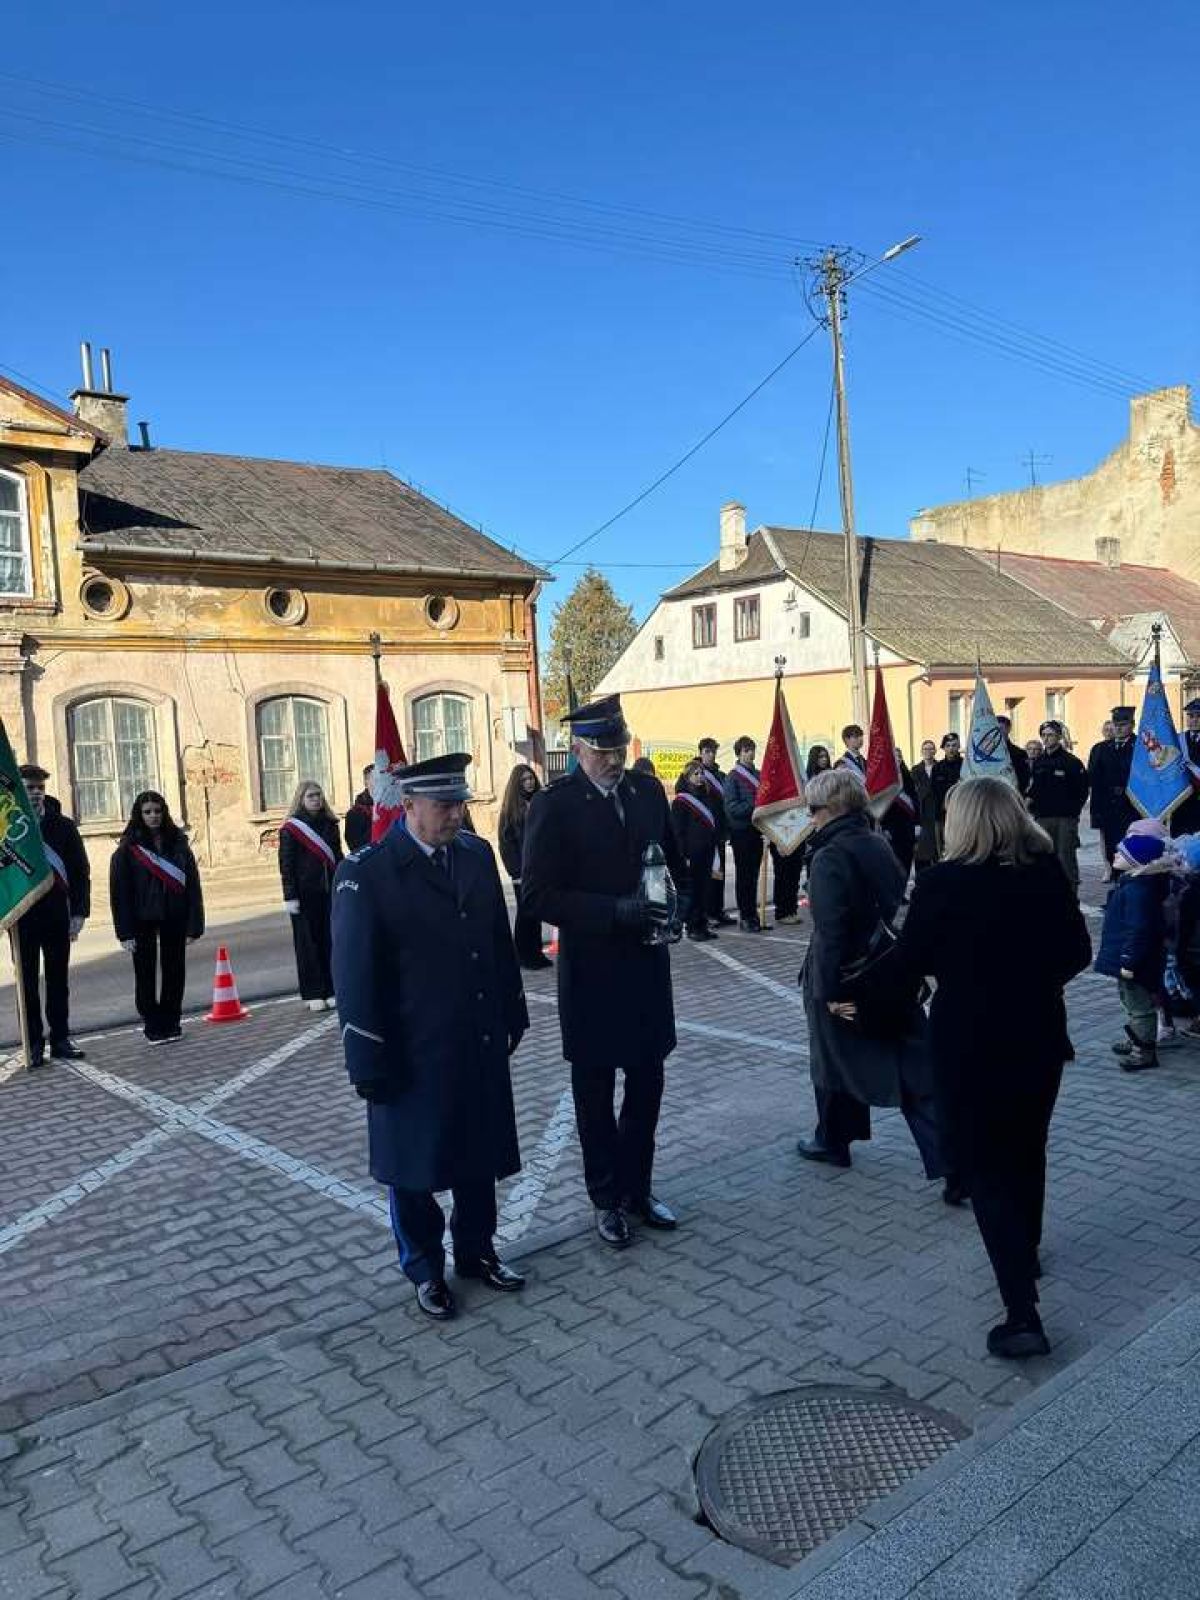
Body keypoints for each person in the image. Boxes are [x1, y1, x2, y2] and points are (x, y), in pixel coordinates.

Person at [881, 778, 1092, 1359]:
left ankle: (1022, 1312)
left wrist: (866, 995)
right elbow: (1078, 951)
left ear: (962, 822)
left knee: (986, 1168)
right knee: (1028, 1148)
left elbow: (909, 961)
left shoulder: (942, 882)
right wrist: (1033, 982)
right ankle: (1027, 1250)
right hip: (1038, 1034)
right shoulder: (1044, 870)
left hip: (968, 1044)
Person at [331, 752, 527, 1321]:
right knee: (412, 1166)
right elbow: (355, 976)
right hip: (410, 1050)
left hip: (474, 1037)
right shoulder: (367, 873)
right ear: (409, 805)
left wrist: (512, 1010)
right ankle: (424, 1269)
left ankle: (477, 1250)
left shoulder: (475, 854)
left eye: (459, 804)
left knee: (478, 1154)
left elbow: (496, 939)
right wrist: (365, 1057)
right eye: (443, 806)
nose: (455, 815)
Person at [522, 694, 684, 1249]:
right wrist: (614, 911)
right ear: (576, 749)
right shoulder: (555, 805)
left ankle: (638, 1189)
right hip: (592, 973)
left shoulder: (647, 792)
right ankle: (606, 1198)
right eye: (602, 751)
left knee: (647, 1086)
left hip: (646, 966)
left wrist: (678, 906)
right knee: (594, 1096)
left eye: (619, 749)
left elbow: (672, 861)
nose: (614, 760)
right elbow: (538, 896)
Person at [796, 768, 943, 1183]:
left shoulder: (829, 856)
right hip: (888, 969)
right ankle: (948, 1160)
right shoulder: (876, 841)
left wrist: (827, 993)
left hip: (847, 978)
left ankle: (833, 1141)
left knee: (832, 1060)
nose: (810, 817)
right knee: (911, 1067)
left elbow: (831, 934)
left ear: (833, 808)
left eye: (813, 809)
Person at [110, 792, 205, 1043]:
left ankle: (171, 1022)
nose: (153, 816)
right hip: (142, 918)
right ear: (139, 815)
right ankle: (152, 1024)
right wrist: (125, 932)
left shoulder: (178, 843)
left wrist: (194, 925)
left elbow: (193, 886)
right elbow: (120, 894)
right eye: (148, 812)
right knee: (145, 974)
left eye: (157, 811)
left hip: (174, 915)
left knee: (175, 971)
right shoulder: (128, 849)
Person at [15, 764, 90, 1067]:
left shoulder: (63, 826)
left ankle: (60, 1039)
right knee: (27, 984)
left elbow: (79, 871)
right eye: (29, 788)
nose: (36, 793)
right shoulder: (9, 829)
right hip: (22, 918)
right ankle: (33, 1043)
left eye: (40, 788)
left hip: (57, 914)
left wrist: (79, 912)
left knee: (58, 981)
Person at [1093, 826, 1170, 1073]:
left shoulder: (1138, 890)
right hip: (1128, 958)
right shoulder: (1132, 884)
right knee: (1130, 1001)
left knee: (1140, 1006)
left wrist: (1128, 960)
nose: (1115, 855)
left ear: (1137, 860)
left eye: (1122, 853)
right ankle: (1136, 1038)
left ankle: (1144, 1050)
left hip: (1133, 961)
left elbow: (1139, 930)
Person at [280, 781, 343, 1011]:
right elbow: (286, 865)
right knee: (308, 945)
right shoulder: (291, 829)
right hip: (304, 894)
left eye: (319, 795)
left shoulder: (330, 824)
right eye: (311, 796)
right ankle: (313, 992)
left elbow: (337, 856)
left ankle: (332, 988)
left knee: (330, 941)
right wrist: (290, 896)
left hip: (328, 892)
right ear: (301, 799)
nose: (316, 799)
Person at [498, 764, 551, 970]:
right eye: (524, 780)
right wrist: (515, 870)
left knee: (536, 912)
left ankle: (536, 953)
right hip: (521, 871)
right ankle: (523, 954)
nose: (529, 783)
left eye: (531, 778)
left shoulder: (539, 802)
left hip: (539, 869)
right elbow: (506, 842)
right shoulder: (511, 809)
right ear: (517, 784)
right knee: (525, 913)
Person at [1027, 721, 1090, 892]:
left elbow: (1082, 790)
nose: (1046, 739)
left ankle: (1071, 895)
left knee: (1065, 857)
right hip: (1042, 818)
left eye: (1050, 735)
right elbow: (1034, 789)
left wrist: (1073, 812)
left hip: (1065, 818)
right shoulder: (1039, 762)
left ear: (1059, 737)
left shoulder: (1071, 762)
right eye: (1044, 735)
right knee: (1044, 857)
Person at [672, 761, 720, 941]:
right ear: (687, 777)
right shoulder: (681, 801)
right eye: (696, 774)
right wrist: (683, 854)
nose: (700, 777)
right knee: (693, 890)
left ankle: (702, 925)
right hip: (692, 854)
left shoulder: (706, 796)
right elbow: (678, 831)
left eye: (701, 773)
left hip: (707, 851)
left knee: (705, 889)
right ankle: (692, 927)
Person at [723, 736, 763, 932]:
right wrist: (754, 805)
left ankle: (753, 914)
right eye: (746, 750)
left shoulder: (759, 774)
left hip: (757, 831)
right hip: (741, 832)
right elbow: (732, 808)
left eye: (752, 749)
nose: (750, 753)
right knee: (744, 876)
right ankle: (745, 916)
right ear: (739, 753)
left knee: (754, 876)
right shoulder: (732, 777)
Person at [1088, 708, 1137, 867]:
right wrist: (1097, 811)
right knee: (1111, 848)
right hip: (1108, 807)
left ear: (1132, 725)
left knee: (1131, 848)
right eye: (1116, 725)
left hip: (1132, 806)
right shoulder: (1101, 748)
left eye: (1123, 725)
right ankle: (1114, 875)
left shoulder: (1140, 747)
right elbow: (1093, 779)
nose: (1118, 729)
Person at [697, 737, 734, 926]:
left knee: (719, 874)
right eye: (707, 751)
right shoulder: (694, 772)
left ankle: (718, 911)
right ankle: (706, 913)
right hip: (703, 833)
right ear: (700, 753)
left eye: (713, 752)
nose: (711, 755)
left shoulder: (721, 776)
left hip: (718, 832)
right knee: (706, 876)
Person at [879, 748, 918, 881]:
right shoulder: (885, 779)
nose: (898, 759)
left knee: (907, 859)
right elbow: (882, 805)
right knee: (894, 860)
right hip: (892, 827)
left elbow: (915, 799)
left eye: (899, 756)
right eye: (895, 757)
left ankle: (904, 885)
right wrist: (884, 826)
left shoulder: (907, 776)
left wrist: (917, 823)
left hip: (908, 826)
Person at [1171, 698, 1200, 836]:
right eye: (1190, 716)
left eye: (1198, 716)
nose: (1194, 720)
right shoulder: (1178, 740)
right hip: (1182, 800)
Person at [911, 740, 941, 873]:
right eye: (925, 749)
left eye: (930, 749)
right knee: (923, 849)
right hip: (922, 812)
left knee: (938, 847)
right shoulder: (915, 770)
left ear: (935, 751)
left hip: (937, 812)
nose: (928, 751)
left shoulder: (940, 767)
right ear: (921, 752)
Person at [932, 733, 963, 851]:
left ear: (958, 746)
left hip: (961, 813)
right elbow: (934, 792)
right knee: (942, 848)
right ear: (943, 748)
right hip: (942, 815)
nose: (951, 749)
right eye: (948, 745)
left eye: (954, 745)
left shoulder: (965, 766)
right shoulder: (937, 768)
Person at [995, 715, 1031, 795]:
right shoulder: (987, 753)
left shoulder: (1019, 753)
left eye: (1001, 728)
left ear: (1008, 729)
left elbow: (1024, 778)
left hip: (1011, 793)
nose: (998, 731)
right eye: (995, 728)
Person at [344, 765, 375, 852]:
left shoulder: (394, 807)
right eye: (376, 779)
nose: (380, 783)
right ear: (366, 783)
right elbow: (355, 846)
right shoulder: (354, 813)